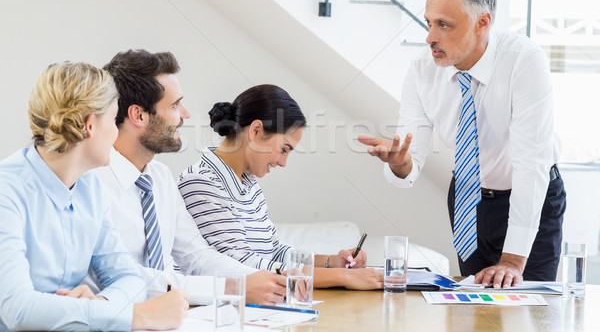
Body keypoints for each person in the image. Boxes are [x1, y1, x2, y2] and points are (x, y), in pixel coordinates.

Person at [358, 0, 566, 288]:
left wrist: (512, 261)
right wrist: (401, 164)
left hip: (532, 196)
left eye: (444, 25)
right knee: (471, 307)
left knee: (528, 310)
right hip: (469, 199)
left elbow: (531, 164)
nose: (430, 37)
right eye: (429, 23)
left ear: (482, 23)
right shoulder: (421, 71)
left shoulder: (524, 61)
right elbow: (409, 156)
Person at [0, 62, 187, 331]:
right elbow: (18, 310)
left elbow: (128, 276)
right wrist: (132, 316)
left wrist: (99, 305)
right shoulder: (7, 191)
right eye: (113, 120)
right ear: (90, 126)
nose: (116, 132)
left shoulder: (89, 187)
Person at [91, 49, 286, 306]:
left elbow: (196, 256)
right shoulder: (91, 184)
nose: (185, 114)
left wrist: (264, 280)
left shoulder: (159, 178)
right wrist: (231, 288)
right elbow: (121, 277)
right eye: (174, 105)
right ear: (138, 115)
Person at [179, 84, 384, 290]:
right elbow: (243, 266)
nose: (283, 162)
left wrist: (331, 261)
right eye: (283, 149)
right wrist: (340, 277)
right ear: (256, 131)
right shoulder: (201, 182)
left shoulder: (248, 184)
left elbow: (274, 251)